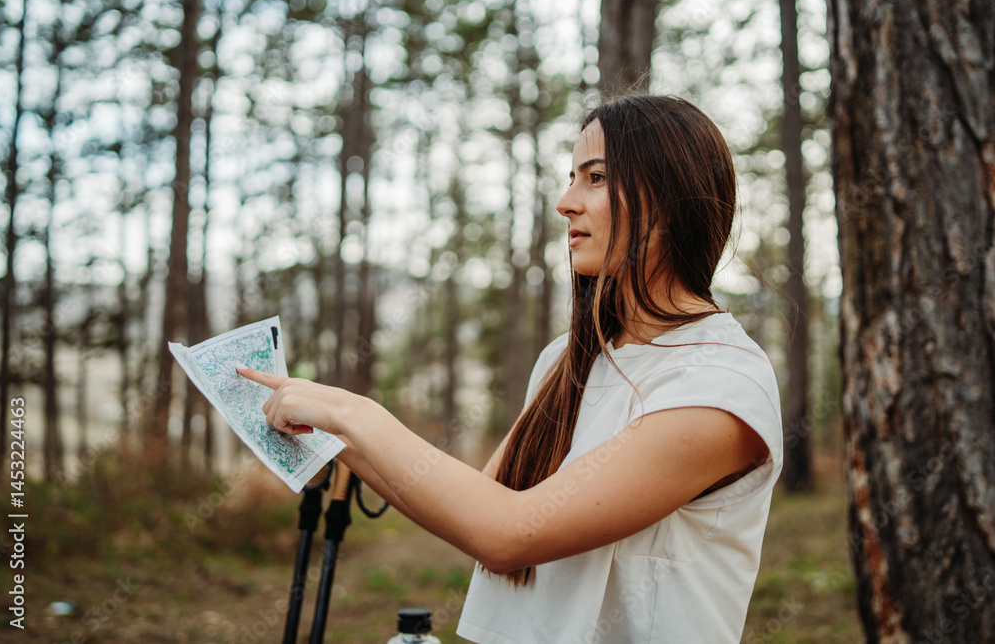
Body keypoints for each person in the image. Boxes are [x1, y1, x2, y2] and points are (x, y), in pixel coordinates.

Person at [238, 93, 782, 643]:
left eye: (595, 177)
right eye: (572, 176)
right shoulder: (565, 360)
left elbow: (508, 533)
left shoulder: (719, 383)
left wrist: (352, 413)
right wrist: (330, 435)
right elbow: (479, 508)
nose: (565, 202)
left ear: (669, 198)